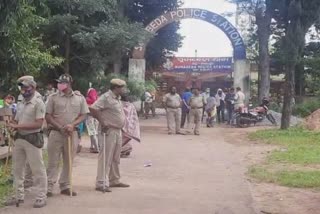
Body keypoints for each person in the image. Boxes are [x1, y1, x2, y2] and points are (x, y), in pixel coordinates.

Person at [6, 76, 47, 208]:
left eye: (26, 87)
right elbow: (18, 119)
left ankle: (41, 197)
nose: (23, 90)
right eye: (22, 87)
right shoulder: (21, 101)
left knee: (38, 170)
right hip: (19, 139)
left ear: (33, 87)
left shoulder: (39, 102)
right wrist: (12, 124)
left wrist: (18, 126)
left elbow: (38, 124)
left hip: (33, 139)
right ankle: (18, 196)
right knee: (17, 169)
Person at [45, 74, 89, 197]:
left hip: (72, 133)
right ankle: (48, 186)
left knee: (69, 160)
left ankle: (65, 186)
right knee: (53, 161)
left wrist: (72, 125)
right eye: (59, 82)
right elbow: (48, 115)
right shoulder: (52, 97)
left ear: (69, 84)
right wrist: (60, 127)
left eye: (62, 83)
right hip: (55, 132)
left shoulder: (79, 98)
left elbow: (84, 115)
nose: (60, 85)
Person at [90, 79, 130, 193]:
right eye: (123, 87)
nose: (124, 90)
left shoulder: (117, 98)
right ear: (116, 87)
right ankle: (101, 182)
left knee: (115, 156)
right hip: (108, 130)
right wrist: (103, 122)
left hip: (117, 130)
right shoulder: (106, 97)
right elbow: (93, 108)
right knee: (106, 156)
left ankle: (114, 179)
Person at [85, 84, 100, 153]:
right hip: (96, 118)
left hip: (89, 117)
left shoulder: (87, 100)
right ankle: (92, 146)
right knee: (95, 132)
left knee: (92, 132)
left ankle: (96, 148)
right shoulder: (97, 101)